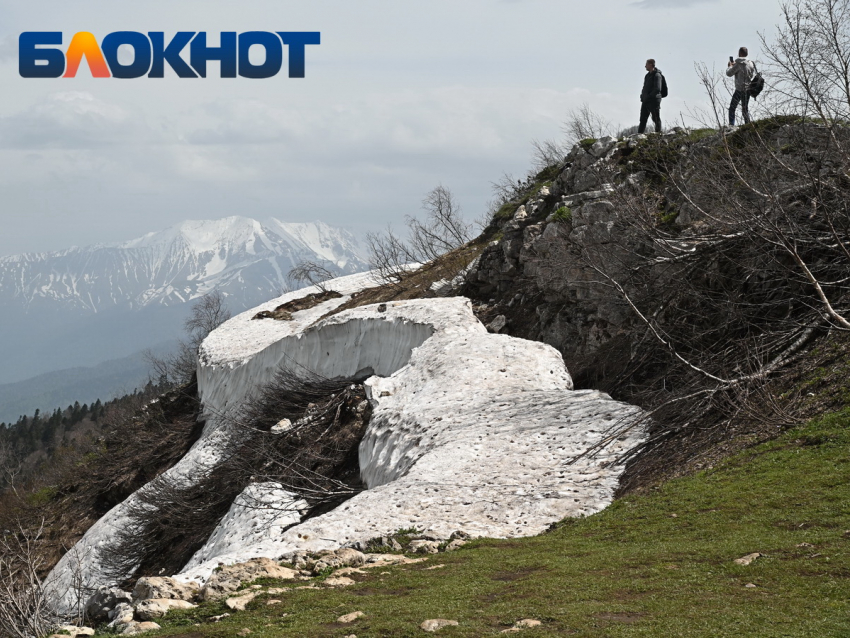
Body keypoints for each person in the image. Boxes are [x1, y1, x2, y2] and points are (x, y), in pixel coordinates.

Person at [726, 47, 756, 126]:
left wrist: (730, 66)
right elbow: (751, 75)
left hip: (739, 89)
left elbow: (729, 73)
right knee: (745, 110)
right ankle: (748, 126)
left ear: (740, 53)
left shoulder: (738, 64)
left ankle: (731, 125)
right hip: (748, 89)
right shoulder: (751, 63)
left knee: (732, 108)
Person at [638, 59, 664, 134]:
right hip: (646, 100)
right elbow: (644, 87)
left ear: (651, 65)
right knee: (643, 119)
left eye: (646, 64)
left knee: (655, 118)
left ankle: (658, 134)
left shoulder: (657, 75)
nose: (645, 66)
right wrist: (642, 96)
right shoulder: (647, 76)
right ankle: (639, 135)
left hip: (654, 100)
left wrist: (649, 96)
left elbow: (657, 89)